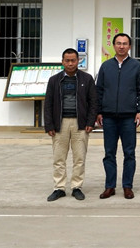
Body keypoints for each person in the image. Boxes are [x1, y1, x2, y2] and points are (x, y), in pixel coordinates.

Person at [96, 33, 140, 200]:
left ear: (130, 46)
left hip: (128, 117)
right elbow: (99, 90)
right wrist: (98, 111)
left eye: (125, 43)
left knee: (129, 153)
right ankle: (110, 186)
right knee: (109, 153)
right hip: (109, 117)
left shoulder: (137, 66)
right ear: (114, 46)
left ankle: (127, 186)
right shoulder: (106, 66)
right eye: (118, 43)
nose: (121, 46)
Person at [44, 48, 97, 202]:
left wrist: (90, 122)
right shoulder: (54, 80)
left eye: (73, 60)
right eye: (67, 60)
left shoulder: (87, 79)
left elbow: (93, 102)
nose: (70, 63)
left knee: (79, 158)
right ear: (62, 62)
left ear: (78, 61)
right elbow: (48, 104)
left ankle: (76, 187)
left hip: (80, 124)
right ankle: (59, 188)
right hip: (59, 124)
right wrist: (49, 125)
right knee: (59, 158)